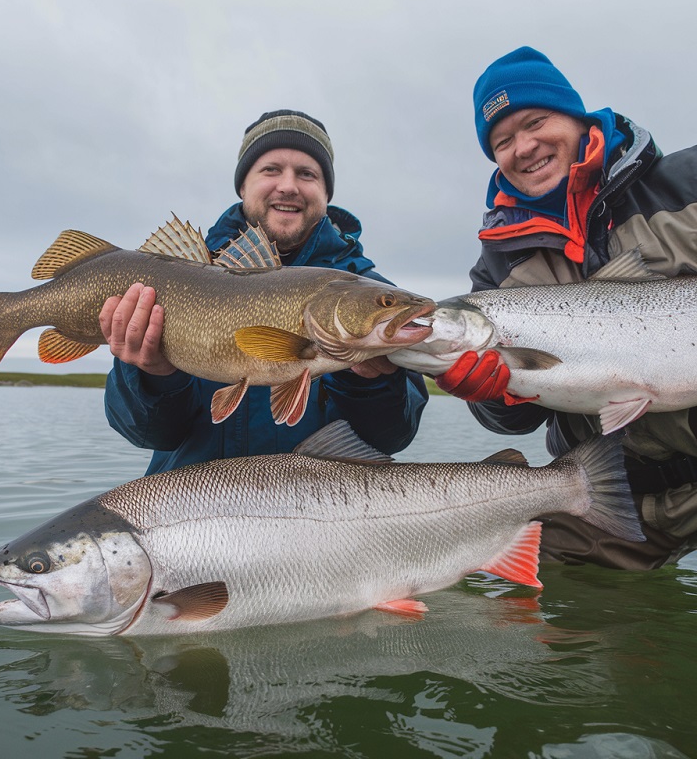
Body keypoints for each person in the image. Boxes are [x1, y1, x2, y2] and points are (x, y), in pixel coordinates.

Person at [435, 46, 697, 570]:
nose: (524, 147)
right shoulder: (494, 273)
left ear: (576, 118)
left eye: (535, 121)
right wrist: (495, 396)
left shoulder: (685, 181)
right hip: (614, 493)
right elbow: (513, 426)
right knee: (533, 607)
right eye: (502, 141)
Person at [100, 109, 429, 474]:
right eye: (271, 169)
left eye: (307, 173)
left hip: (320, 516)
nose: (288, 185)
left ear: (326, 192)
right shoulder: (177, 278)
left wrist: (371, 385)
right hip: (191, 517)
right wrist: (154, 374)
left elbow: (391, 439)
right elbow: (147, 433)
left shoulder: (371, 291)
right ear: (243, 186)